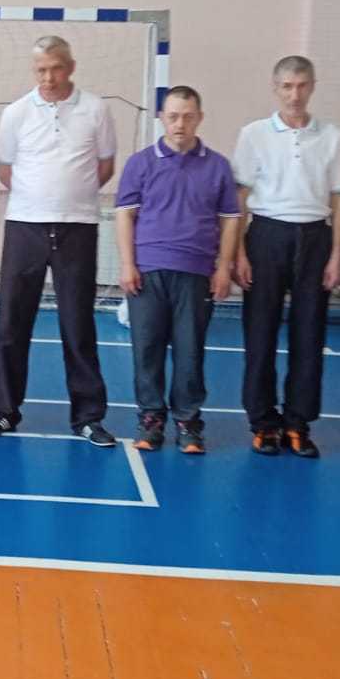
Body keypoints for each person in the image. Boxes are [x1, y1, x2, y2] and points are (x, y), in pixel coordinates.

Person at [0, 36, 117, 448]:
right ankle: (4, 411)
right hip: (24, 227)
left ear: (70, 67)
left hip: (78, 228)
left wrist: (69, 198)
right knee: (11, 322)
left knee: (78, 324)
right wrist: (38, 200)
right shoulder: (16, 113)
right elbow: (6, 170)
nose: (49, 77)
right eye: (41, 70)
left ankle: (88, 417)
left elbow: (105, 166)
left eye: (56, 68)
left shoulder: (96, 109)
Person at [232, 56, 340, 457]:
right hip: (266, 236)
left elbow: (339, 197)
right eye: (286, 86)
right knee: (259, 334)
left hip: (316, 237)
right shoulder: (253, 134)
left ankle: (298, 423)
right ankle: (263, 422)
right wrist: (238, 252)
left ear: (312, 86)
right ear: (275, 87)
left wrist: (337, 254)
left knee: (309, 335)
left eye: (301, 86)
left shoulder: (332, 136)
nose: (294, 94)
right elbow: (240, 197)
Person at [114, 86, 240, 455]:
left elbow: (230, 220)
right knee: (147, 349)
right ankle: (151, 419)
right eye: (172, 116)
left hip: (196, 272)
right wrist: (128, 264)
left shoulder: (218, 166)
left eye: (187, 116)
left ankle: (188, 422)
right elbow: (125, 216)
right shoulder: (140, 163)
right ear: (161, 118)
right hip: (148, 270)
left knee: (189, 351)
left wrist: (223, 268)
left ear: (199, 118)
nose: (179, 123)